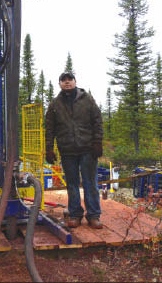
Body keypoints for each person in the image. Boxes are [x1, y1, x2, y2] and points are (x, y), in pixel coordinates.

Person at [45, 71, 104, 229]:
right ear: (60, 84)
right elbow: (49, 128)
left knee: (90, 182)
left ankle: (93, 215)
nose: (67, 82)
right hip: (67, 150)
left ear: (75, 81)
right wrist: (49, 148)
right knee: (72, 184)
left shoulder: (87, 99)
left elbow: (97, 120)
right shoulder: (55, 104)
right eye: (63, 80)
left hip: (88, 149)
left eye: (69, 79)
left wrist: (98, 142)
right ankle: (75, 214)